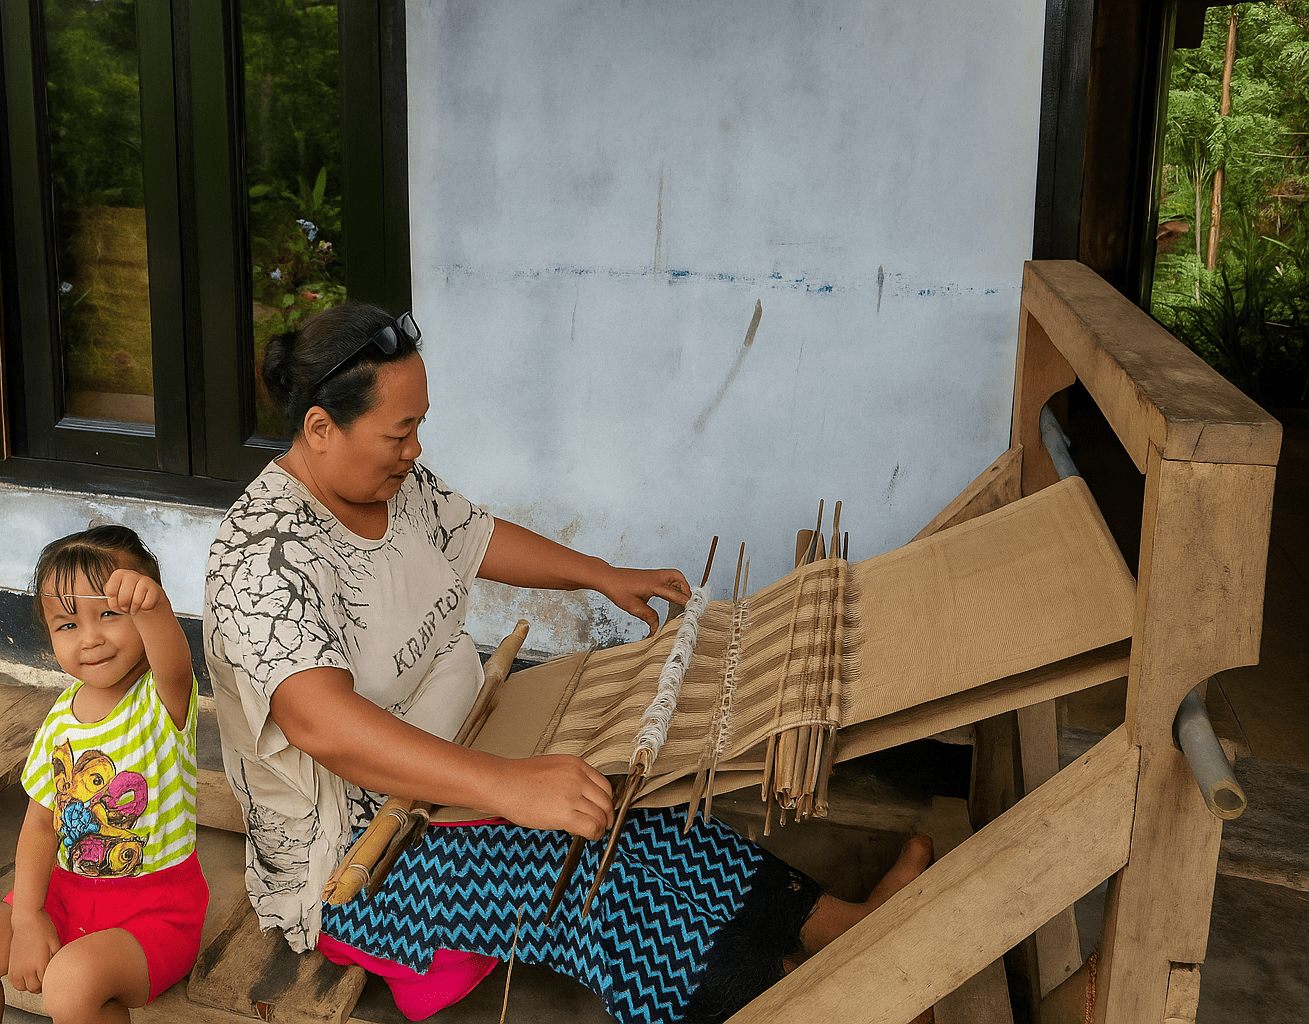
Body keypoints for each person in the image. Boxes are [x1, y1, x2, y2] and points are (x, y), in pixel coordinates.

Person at [203, 303, 932, 1024]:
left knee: (646, 813)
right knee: (599, 885)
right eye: (402, 431)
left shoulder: (392, 484)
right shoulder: (263, 556)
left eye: (420, 425)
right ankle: (801, 1002)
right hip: (361, 852)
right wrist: (508, 786)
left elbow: (475, 538)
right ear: (321, 429)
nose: (416, 449)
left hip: (463, 745)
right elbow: (319, 722)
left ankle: (839, 924)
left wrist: (601, 573)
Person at [0, 525, 209, 1024]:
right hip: (65, 898)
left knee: (71, 984)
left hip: (154, 915)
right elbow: (40, 826)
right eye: (67, 625)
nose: (91, 638)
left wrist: (154, 609)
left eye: (110, 613)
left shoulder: (162, 700)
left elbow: (174, 658)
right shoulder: (59, 721)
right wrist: (26, 916)